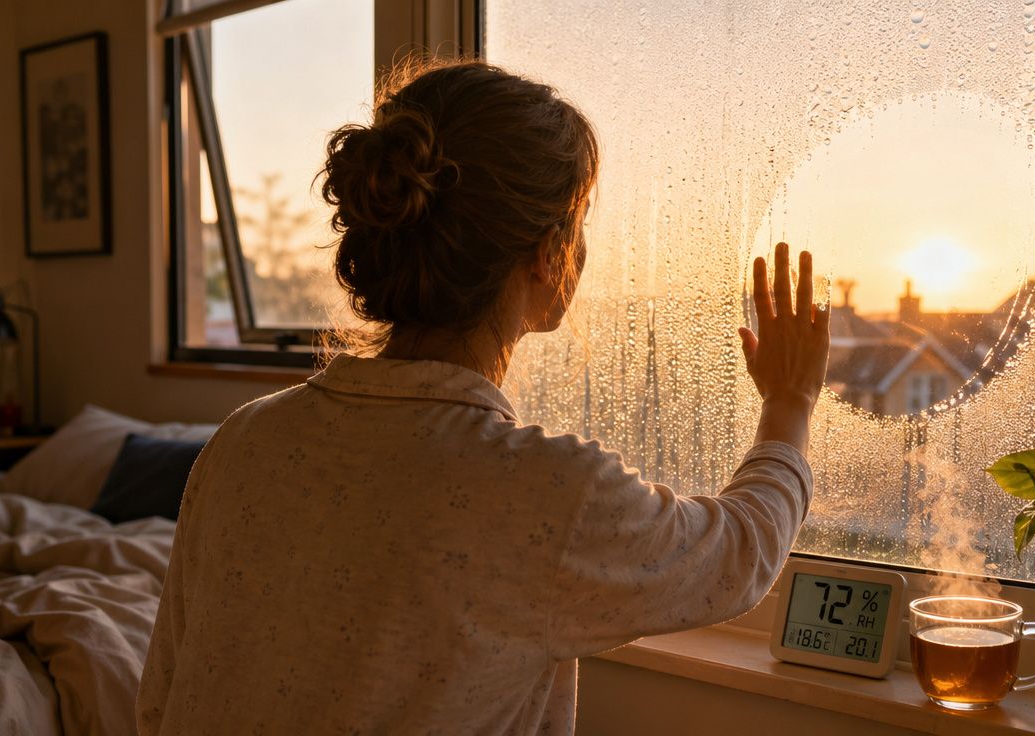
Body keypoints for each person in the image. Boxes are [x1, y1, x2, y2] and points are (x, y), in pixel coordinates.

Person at [136, 60, 829, 735]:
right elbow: (738, 556)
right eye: (579, 220)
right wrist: (790, 401)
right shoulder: (542, 494)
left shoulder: (243, 440)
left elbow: (160, 697)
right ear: (544, 252)